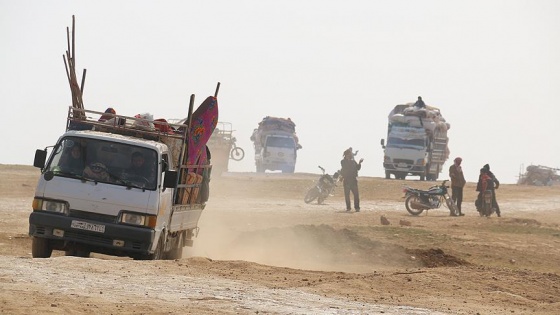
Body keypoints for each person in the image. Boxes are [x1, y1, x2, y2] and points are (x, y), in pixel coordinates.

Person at [340, 148, 364, 212]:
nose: (351, 155)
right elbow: (346, 168)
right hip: (347, 180)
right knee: (347, 195)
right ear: (347, 154)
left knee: (356, 195)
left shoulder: (353, 161)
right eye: (350, 154)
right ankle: (348, 207)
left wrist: (359, 163)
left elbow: (358, 168)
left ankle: (357, 207)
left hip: (353, 180)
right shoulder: (343, 161)